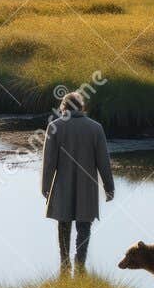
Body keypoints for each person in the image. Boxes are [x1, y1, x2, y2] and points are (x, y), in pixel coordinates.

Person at [40, 90, 114, 274]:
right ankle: (80, 263)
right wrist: (109, 187)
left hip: (62, 185)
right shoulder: (95, 128)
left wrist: (46, 187)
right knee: (84, 225)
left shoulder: (55, 127)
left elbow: (49, 162)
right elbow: (103, 161)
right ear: (82, 107)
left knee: (63, 225)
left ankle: (65, 263)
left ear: (63, 107)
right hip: (87, 186)